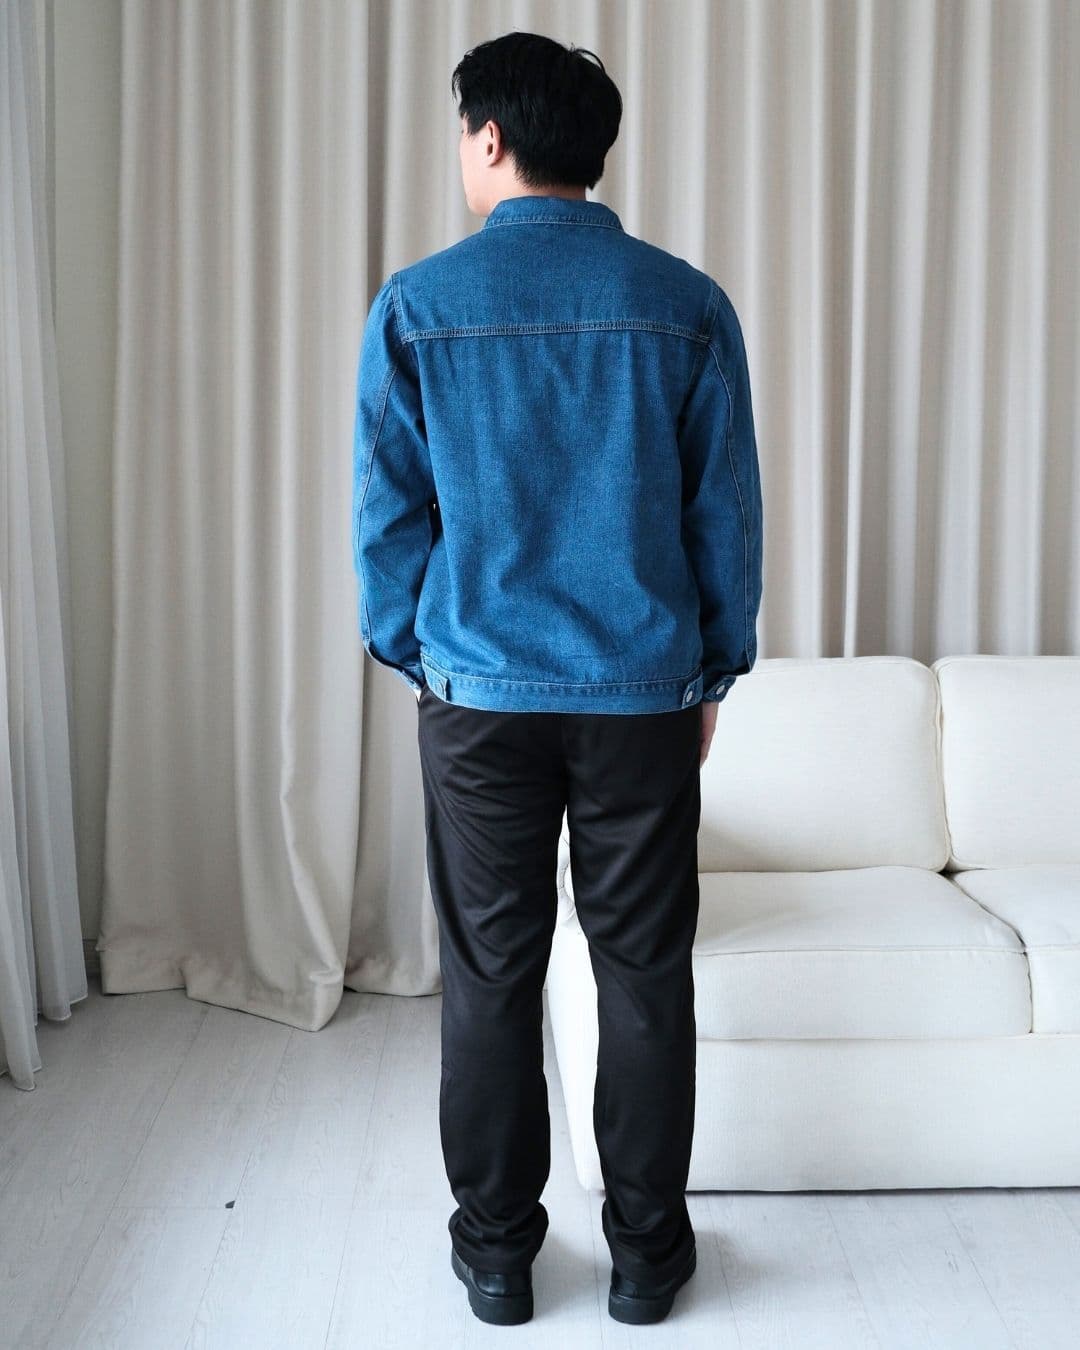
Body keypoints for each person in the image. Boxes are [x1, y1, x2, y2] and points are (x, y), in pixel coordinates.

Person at [352, 30, 763, 1327]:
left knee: (491, 973)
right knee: (642, 970)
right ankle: (646, 1256)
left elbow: (388, 519)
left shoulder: (418, 304)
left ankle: (496, 1257)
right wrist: (709, 672)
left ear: (490, 138)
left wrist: (426, 656)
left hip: (480, 697)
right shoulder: (687, 304)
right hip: (642, 694)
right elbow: (724, 516)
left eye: (462, 132)